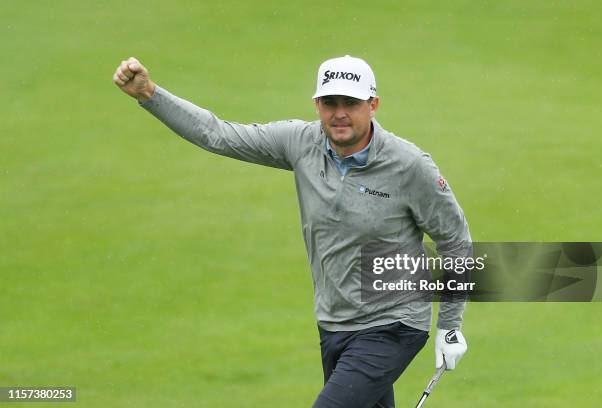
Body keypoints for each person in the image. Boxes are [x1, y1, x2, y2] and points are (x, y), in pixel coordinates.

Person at [113, 55, 470, 408]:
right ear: (317, 104)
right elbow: (216, 134)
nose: (340, 112)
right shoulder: (301, 143)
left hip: (394, 323)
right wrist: (149, 94)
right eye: (330, 102)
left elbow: (455, 240)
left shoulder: (409, 166)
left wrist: (449, 325)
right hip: (334, 323)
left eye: (351, 102)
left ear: (373, 104)